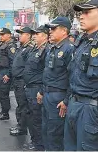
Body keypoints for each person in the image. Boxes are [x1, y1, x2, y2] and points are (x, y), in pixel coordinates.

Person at [64, 0, 98, 151]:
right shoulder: (82, 41)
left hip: (90, 110)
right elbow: (74, 75)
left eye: (87, 12)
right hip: (74, 104)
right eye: (80, 13)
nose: (81, 16)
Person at [38, 16, 74, 151]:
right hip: (48, 95)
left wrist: (66, 100)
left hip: (58, 98)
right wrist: (42, 91)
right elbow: (47, 73)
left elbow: (73, 77)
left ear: (64, 31)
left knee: (55, 135)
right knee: (46, 130)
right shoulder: (53, 48)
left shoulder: (69, 49)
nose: (50, 32)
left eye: (53, 29)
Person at [22, 25, 50, 151]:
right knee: (31, 116)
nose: (34, 36)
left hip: (36, 88)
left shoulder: (46, 50)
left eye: (37, 34)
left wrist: (41, 91)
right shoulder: (35, 49)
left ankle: (39, 145)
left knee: (37, 118)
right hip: (29, 87)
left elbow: (47, 73)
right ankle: (34, 140)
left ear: (44, 36)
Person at [10, 27, 35, 136]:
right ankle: (20, 124)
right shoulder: (21, 48)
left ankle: (22, 128)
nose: (19, 36)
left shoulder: (29, 49)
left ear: (28, 35)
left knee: (23, 106)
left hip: (22, 81)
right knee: (20, 104)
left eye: (22, 34)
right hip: (17, 80)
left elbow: (28, 67)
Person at [0, 28, 16, 120]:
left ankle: (5, 113)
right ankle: (3, 111)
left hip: (5, 72)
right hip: (0, 71)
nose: (1, 36)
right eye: (0, 35)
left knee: (3, 93)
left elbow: (13, 62)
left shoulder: (11, 46)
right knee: (1, 93)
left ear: (9, 35)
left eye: (3, 35)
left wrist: (8, 74)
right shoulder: (3, 44)